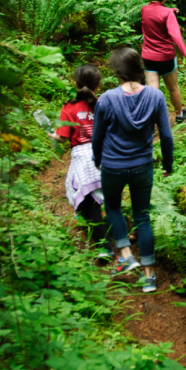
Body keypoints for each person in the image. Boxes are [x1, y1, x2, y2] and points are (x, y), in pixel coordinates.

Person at [92, 47, 174, 294]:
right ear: (139, 69)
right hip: (142, 167)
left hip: (113, 166)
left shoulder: (107, 98)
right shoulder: (156, 96)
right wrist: (168, 165)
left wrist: (98, 160)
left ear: (117, 72)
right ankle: (149, 277)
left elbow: (97, 136)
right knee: (142, 216)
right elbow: (167, 137)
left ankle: (126, 253)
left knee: (113, 207)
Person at [50, 65, 114, 261]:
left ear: (75, 83)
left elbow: (62, 138)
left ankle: (105, 248)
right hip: (108, 152)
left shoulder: (69, 107)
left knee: (89, 199)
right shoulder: (105, 102)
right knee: (105, 197)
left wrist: (51, 134)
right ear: (99, 84)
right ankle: (118, 233)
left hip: (83, 158)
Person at [140, 0, 186, 123]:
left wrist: (169, 11)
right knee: (173, 88)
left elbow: (154, 13)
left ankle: (150, 125)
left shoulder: (144, 10)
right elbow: (175, 35)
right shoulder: (167, 14)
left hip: (148, 57)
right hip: (165, 58)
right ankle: (179, 115)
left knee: (152, 92)